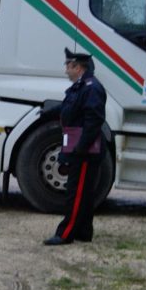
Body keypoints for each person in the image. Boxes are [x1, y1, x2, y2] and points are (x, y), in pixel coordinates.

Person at [42, 48, 107, 246]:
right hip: (81, 147)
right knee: (84, 192)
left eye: (68, 66)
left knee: (76, 192)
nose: (66, 71)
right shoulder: (82, 86)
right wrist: (48, 111)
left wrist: (81, 147)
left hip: (84, 151)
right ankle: (83, 231)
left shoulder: (91, 87)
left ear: (78, 67)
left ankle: (65, 234)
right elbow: (70, 107)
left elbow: (93, 121)